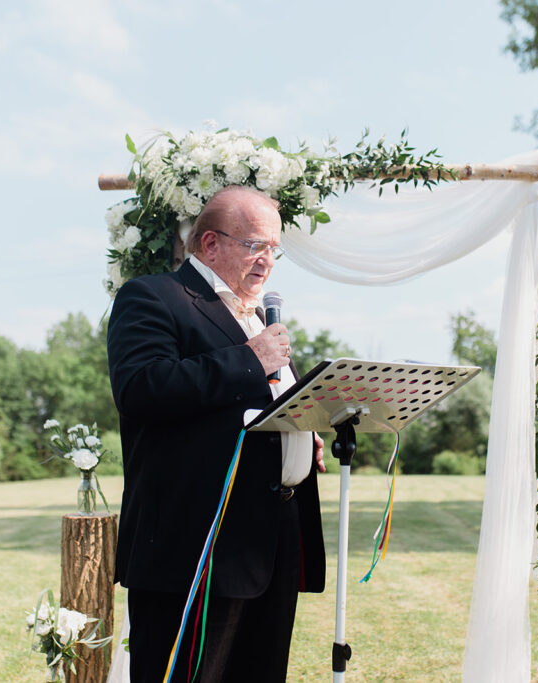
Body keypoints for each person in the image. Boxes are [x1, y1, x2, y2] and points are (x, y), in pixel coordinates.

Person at [106, 185, 326, 682]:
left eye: (274, 249)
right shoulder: (155, 297)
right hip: (193, 546)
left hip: (268, 542)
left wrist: (296, 432)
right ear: (210, 244)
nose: (267, 261)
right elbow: (142, 389)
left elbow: (252, 411)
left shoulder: (257, 318)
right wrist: (251, 358)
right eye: (255, 246)